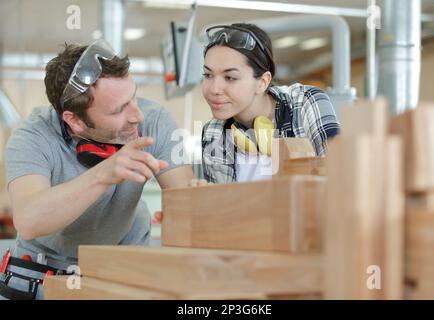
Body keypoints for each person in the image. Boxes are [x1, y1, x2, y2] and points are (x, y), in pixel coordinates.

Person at [1, 39, 193, 299]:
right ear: (75, 120)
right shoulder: (32, 136)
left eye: (134, 96)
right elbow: (29, 220)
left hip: (121, 267)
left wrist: (193, 205)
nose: (138, 116)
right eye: (119, 110)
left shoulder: (153, 118)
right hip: (44, 276)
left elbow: (186, 199)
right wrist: (104, 174)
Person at [201, 23, 340, 183]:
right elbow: (221, 204)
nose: (214, 89)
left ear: (262, 82)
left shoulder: (305, 102)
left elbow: (340, 177)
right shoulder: (213, 131)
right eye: (208, 75)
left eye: (230, 77)